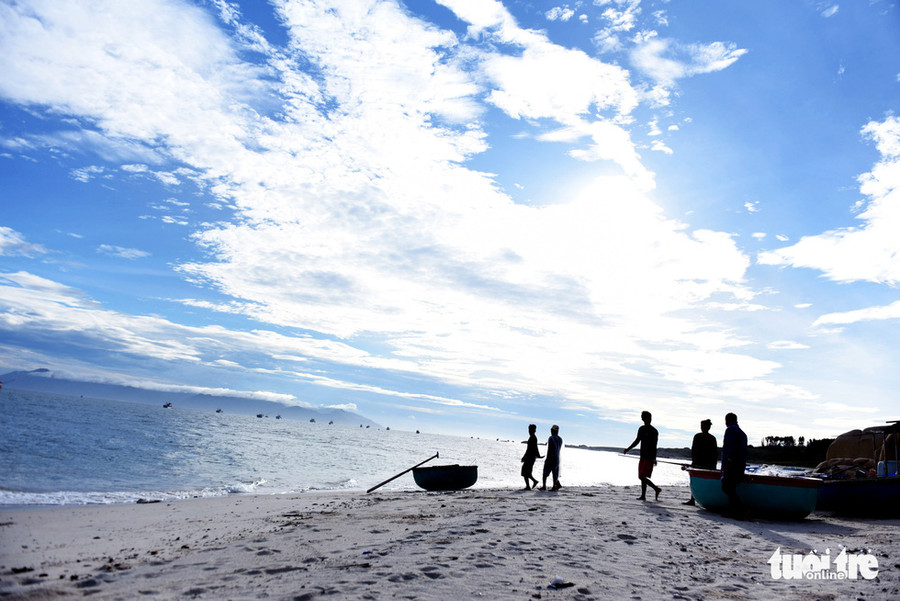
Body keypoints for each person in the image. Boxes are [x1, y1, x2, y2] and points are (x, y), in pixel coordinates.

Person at [624, 410, 661, 501]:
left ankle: (656, 489)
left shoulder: (654, 431)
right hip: (642, 456)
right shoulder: (641, 429)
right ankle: (643, 495)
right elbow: (637, 441)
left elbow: (654, 446)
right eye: (647, 418)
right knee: (642, 476)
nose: (649, 420)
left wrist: (654, 458)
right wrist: (628, 449)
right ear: (643, 419)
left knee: (642, 476)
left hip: (649, 457)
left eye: (650, 418)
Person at [683, 419, 717, 505]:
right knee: (694, 481)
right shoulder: (697, 436)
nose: (702, 428)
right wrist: (693, 461)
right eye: (701, 426)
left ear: (708, 427)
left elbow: (714, 453)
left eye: (704, 426)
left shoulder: (712, 438)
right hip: (697, 462)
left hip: (708, 463)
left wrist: (713, 465)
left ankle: (705, 499)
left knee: (706, 483)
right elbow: (693, 450)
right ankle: (692, 499)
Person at [721, 412, 748, 517]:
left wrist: (728, 461)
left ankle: (741, 509)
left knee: (726, 486)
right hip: (740, 464)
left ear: (727, 420)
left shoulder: (731, 430)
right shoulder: (742, 433)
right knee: (731, 487)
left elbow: (730, 447)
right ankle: (734, 510)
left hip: (732, 464)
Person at [540, 425, 563, 491]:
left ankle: (544, 486)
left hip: (551, 457)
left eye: (551, 430)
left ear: (553, 431)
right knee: (554, 473)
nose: (550, 431)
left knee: (545, 473)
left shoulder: (551, 438)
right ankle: (554, 486)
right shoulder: (560, 439)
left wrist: (548, 458)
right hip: (557, 458)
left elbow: (550, 449)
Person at [521, 424, 542, 490]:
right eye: (529, 429)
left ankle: (529, 485)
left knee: (525, 471)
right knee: (526, 472)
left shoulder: (533, 438)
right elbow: (534, 448)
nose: (529, 431)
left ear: (534, 430)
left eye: (530, 429)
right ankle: (533, 482)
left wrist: (524, 457)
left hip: (530, 457)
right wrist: (538, 455)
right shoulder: (533, 437)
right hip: (531, 457)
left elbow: (531, 449)